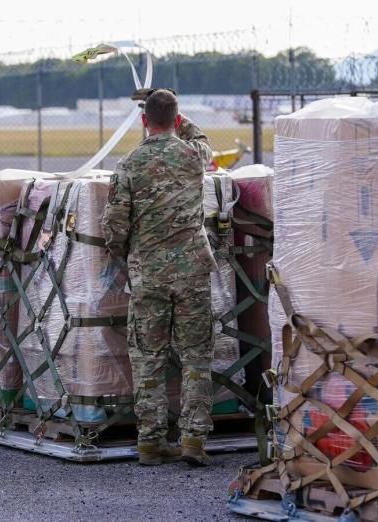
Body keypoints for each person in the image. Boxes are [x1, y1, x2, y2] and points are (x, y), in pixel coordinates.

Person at [102, 89, 218, 467]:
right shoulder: (194, 155)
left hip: (149, 274)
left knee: (149, 357)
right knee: (196, 356)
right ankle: (194, 441)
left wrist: (128, 254)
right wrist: (177, 115)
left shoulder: (129, 164)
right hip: (192, 272)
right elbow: (201, 140)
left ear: (143, 121)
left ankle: (150, 443)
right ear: (178, 119)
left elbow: (114, 226)